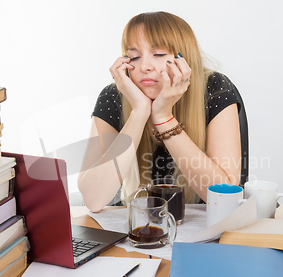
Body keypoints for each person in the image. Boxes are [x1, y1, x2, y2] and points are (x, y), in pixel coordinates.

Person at [78, 11, 244, 212]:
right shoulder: (113, 96)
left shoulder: (216, 88)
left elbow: (223, 196)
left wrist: (164, 118)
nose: (145, 66)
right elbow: (93, 199)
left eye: (158, 54)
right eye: (135, 57)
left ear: (184, 57)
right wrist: (139, 112)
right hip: (137, 231)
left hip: (204, 231)